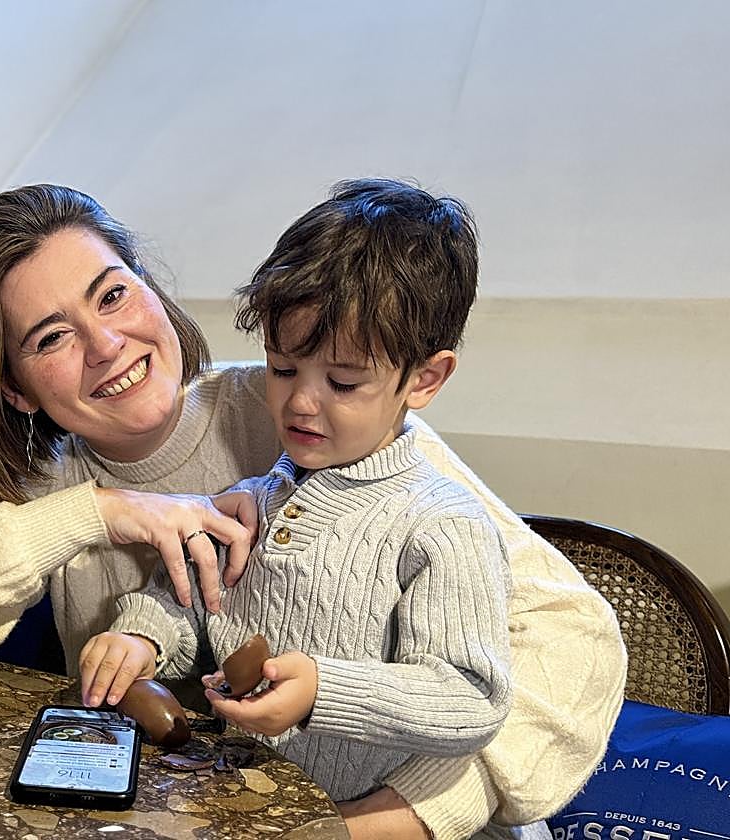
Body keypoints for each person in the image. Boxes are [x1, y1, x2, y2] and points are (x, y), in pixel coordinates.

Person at [0, 183, 626, 839]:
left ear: (149, 287)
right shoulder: (54, 486)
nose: (106, 344)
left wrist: (397, 816)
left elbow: (574, 637)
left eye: (113, 294)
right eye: (51, 338)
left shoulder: (301, 417)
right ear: (14, 387)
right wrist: (102, 514)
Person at [80, 179, 539, 834]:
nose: (300, 403)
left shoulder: (441, 524)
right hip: (261, 810)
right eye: (283, 368)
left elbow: (471, 696)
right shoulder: (256, 499)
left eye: (343, 382)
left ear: (425, 378)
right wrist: (143, 636)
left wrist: (325, 690)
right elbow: (192, 602)